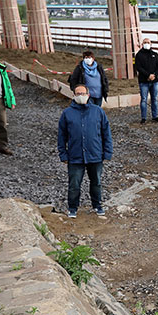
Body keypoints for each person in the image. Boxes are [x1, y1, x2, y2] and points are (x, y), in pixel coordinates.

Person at [57, 84, 113, 218]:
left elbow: (106, 133)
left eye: (83, 93)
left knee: (96, 182)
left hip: (95, 154)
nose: (80, 96)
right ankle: (72, 208)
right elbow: (61, 136)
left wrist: (107, 152)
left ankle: (97, 205)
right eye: (78, 94)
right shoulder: (67, 114)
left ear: (88, 95)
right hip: (75, 156)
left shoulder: (98, 111)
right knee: (74, 184)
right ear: (74, 95)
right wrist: (63, 154)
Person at [134, 37, 158, 124]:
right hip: (143, 81)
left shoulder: (155, 54)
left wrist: (154, 75)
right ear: (142, 44)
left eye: (148, 42)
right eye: (145, 42)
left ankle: (155, 116)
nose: (147, 44)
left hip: (154, 81)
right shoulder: (139, 55)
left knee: (154, 99)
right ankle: (143, 117)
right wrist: (148, 75)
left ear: (151, 44)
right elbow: (138, 67)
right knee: (144, 99)